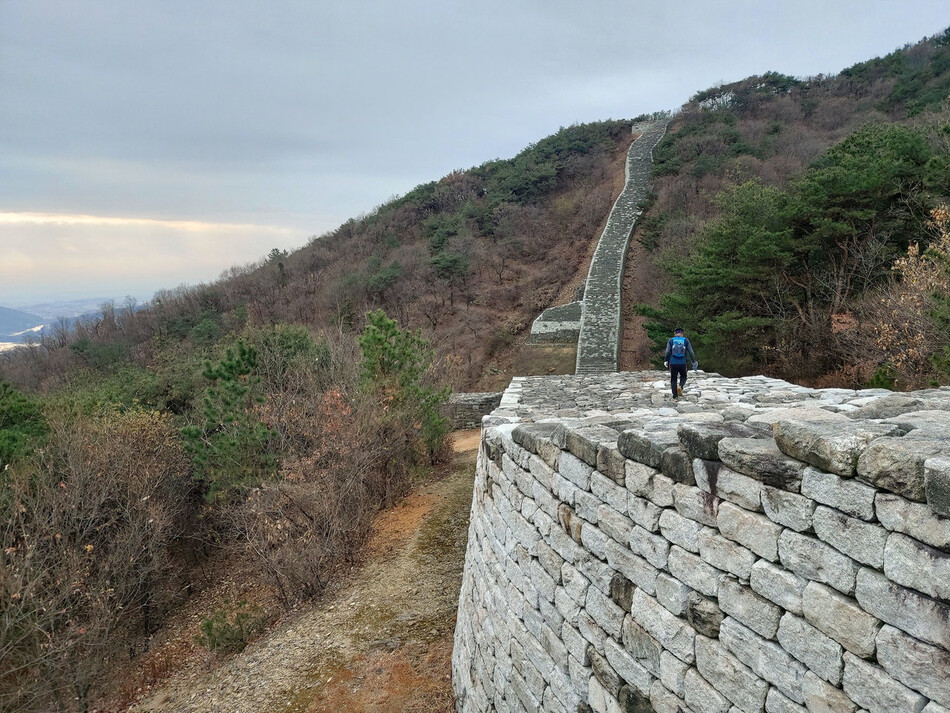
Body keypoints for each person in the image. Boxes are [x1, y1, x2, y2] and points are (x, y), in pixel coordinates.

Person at [664, 327, 698, 398]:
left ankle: (675, 396)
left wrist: (666, 360)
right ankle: (680, 386)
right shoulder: (686, 340)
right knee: (684, 376)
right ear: (682, 334)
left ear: (675, 334)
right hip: (683, 362)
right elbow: (691, 352)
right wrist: (693, 361)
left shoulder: (671, 341)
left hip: (673, 362)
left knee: (673, 378)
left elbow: (667, 352)